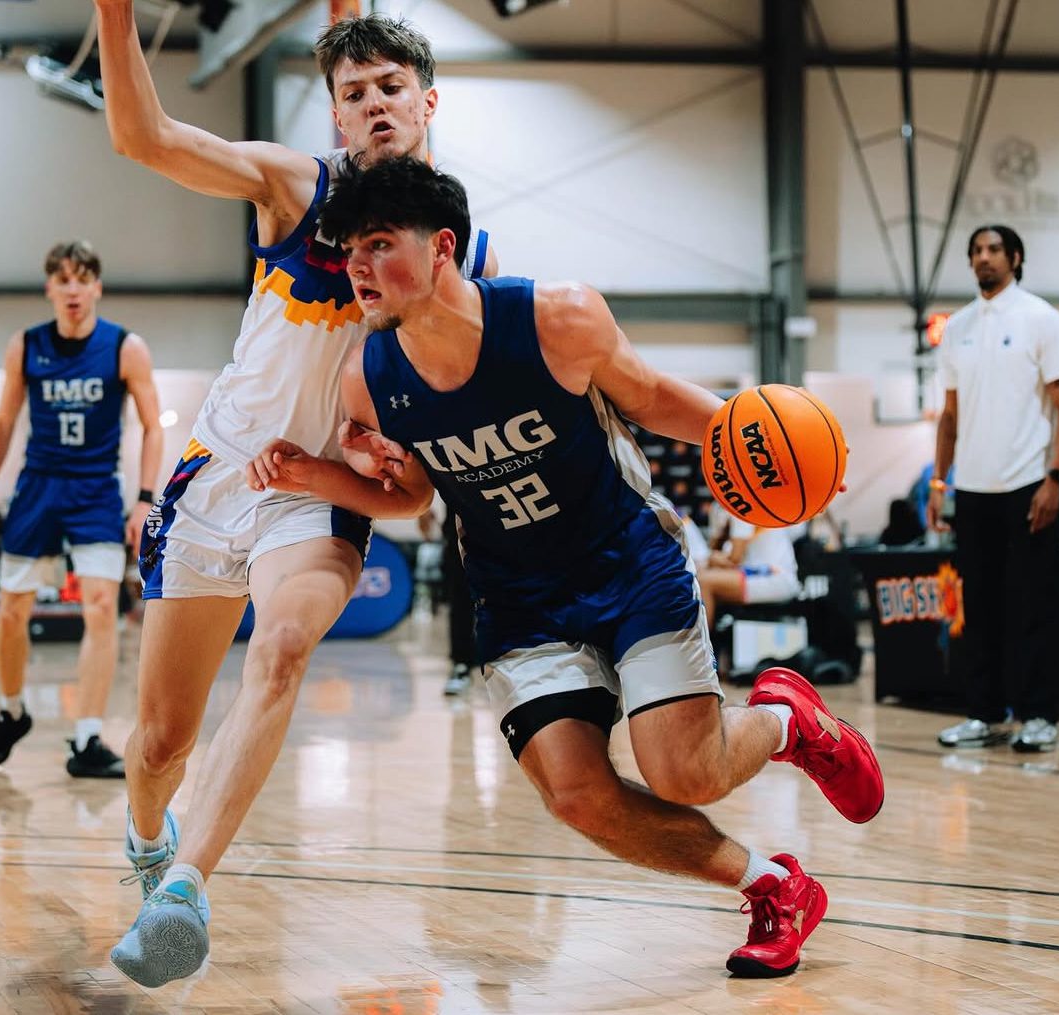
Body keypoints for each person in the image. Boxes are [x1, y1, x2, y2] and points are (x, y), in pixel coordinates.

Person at [249, 158, 885, 979]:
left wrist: (779, 449)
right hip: (518, 599)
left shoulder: (559, 318)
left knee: (684, 772)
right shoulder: (369, 377)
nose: (360, 268)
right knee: (577, 796)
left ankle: (788, 722)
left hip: (627, 563)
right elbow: (410, 496)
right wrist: (314, 472)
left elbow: (650, 397)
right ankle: (773, 885)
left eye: (378, 244)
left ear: (442, 247)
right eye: (350, 252)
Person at [93, 5, 493, 988]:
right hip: (218, 470)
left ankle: (185, 887)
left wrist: (382, 466)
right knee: (157, 744)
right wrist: (114, 14)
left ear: (427, 102)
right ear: (337, 119)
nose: (374, 104)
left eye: (390, 87)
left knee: (279, 650)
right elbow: (145, 139)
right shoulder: (295, 186)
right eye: (353, 94)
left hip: (320, 493)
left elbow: (425, 472)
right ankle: (153, 839)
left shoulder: (456, 255)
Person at [0, 240, 163, 779]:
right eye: (63, 279)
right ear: (50, 288)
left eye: (83, 279)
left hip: (97, 489)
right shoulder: (26, 346)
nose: (73, 289)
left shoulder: (125, 347)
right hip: (39, 488)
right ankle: (11, 713)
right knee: (11, 611)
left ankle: (86, 738)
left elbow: (151, 427)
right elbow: (4, 425)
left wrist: (145, 498)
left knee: (102, 607)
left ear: (96, 286)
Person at [929, 224, 1059, 753]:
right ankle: (985, 715)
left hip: (1028, 485)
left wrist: (1054, 478)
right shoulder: (957, 327)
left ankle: (1039, 716)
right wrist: (939, 481)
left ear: (1015, 257)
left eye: (993, 249)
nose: (983, 258)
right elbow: (949, 416)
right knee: (981, 606)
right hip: (972, 489)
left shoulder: (1041, 318)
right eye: (976, 251)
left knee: (1034, 605)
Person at [697, 510, 803, 629]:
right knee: (704, 576)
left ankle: (702, 646)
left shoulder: (741, 509)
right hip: (774, 575)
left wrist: (713, 557)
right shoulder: (754, 505)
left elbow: (734, 559)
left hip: (773, 577)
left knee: (703, 582)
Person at [419, 502, 477, 695]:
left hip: (505, 516)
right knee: (460, 595)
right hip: (459, 522)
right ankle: (461, 664)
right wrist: (423, 507)